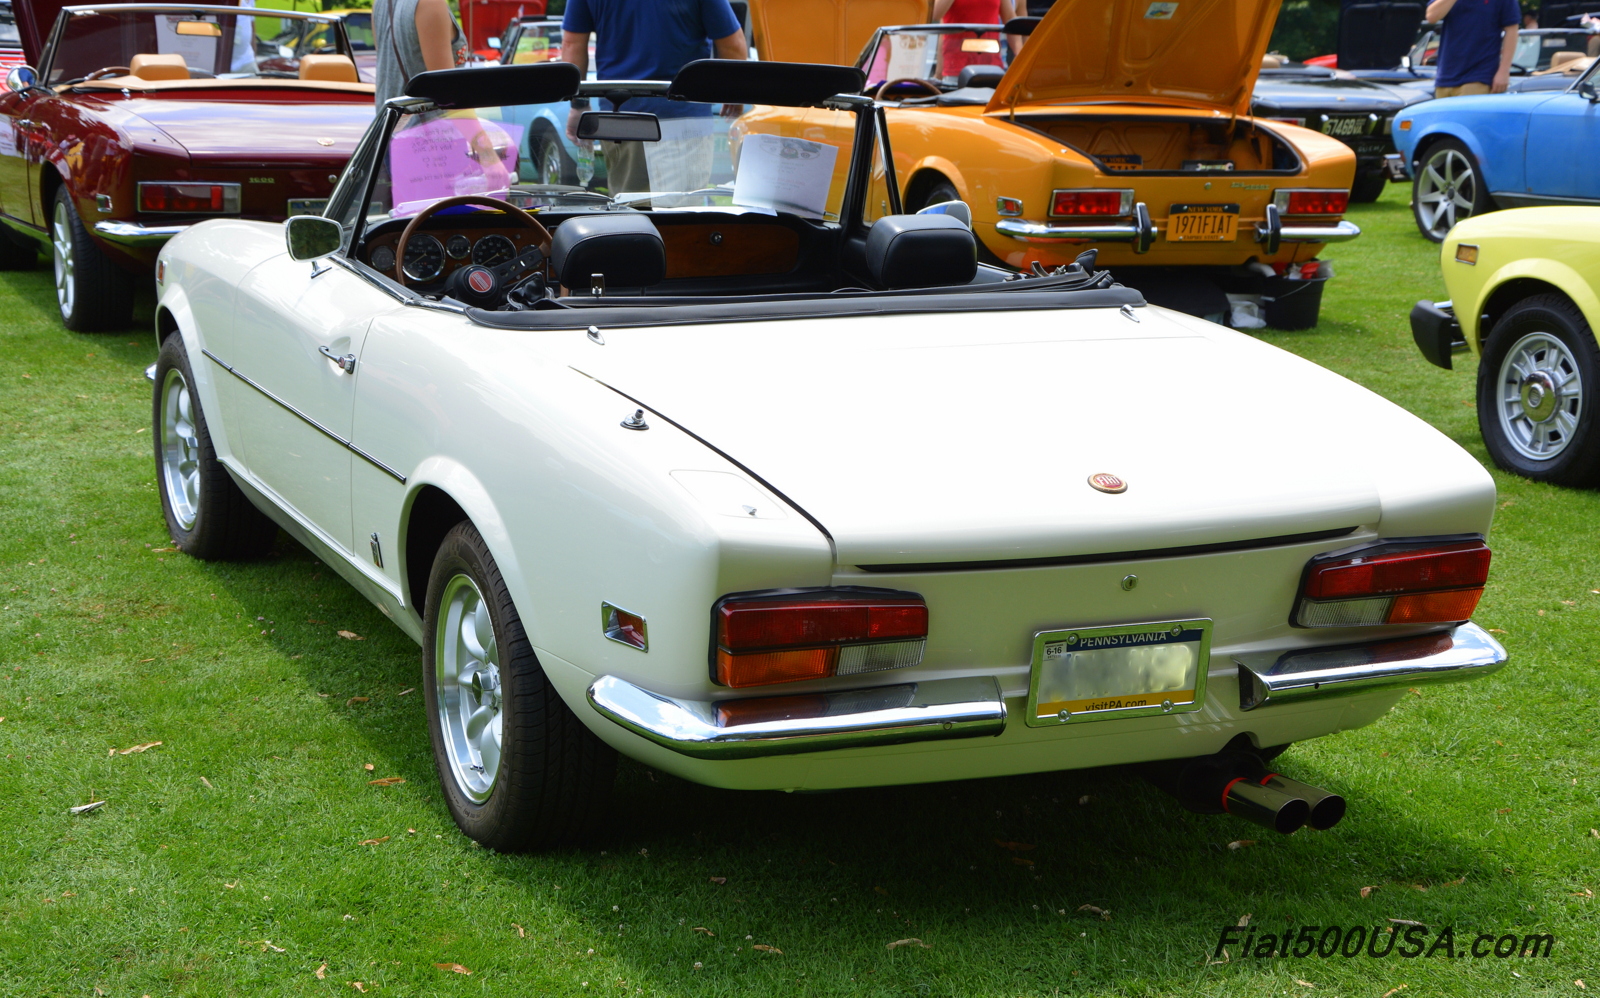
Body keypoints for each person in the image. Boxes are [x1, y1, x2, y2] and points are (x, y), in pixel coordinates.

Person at [560, 0, 748, 196]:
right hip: (682, 120)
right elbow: (732, 44)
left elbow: (572, 43)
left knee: (628, 211)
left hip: (620, 120)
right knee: (680, 216)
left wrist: (578, 105)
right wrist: (734, 91)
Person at [374, 0, 468, 108]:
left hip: (391, 121)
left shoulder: (379, 3)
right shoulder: (430, 3)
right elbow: (447, 96)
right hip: (429, 122)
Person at [1426, 0, 1520, 97]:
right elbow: (1431, 17)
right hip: (1445, 78)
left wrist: (1504, 71)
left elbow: (1512, 29)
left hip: (1479, 77)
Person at [933, 0, 1017, 76]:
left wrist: (1020, 54)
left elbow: (1009, 19)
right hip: (956, 65)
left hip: (991, 65)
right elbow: (935, 14)